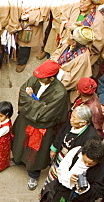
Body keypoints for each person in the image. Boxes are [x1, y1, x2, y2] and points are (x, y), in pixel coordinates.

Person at [12, 60, 70, 190]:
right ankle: (18, 160)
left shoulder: (60, 93)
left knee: (37, 152)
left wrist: (30, 99)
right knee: (20, 142)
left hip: (41, 127)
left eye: (42, 79)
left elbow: (45, 113)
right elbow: (22, 92)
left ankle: (34, 173)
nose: (38, 80)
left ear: (51, 78)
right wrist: (38, 104)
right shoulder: (36, 78)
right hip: (25, 121)